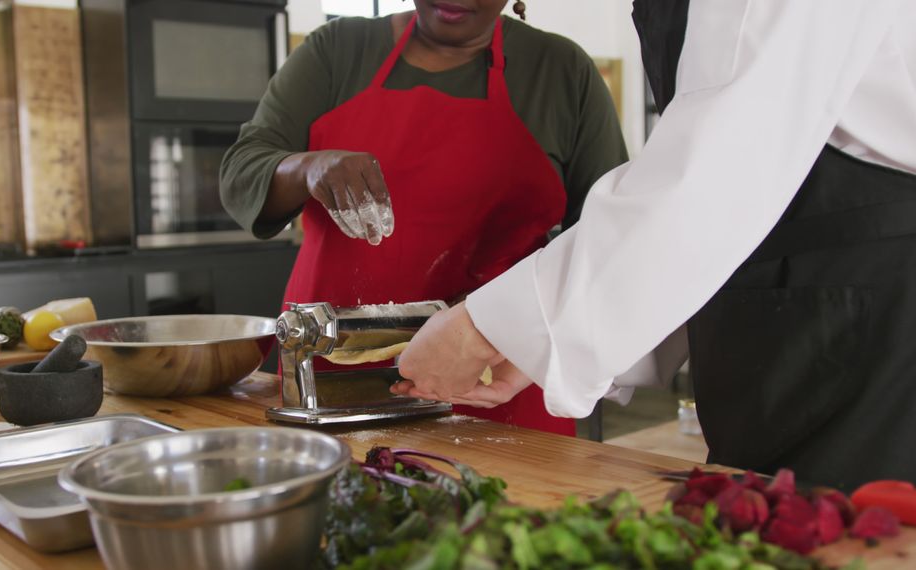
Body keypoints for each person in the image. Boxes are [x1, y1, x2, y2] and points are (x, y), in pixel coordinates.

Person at [395, 0, 916, 491]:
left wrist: (489, 328)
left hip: (868, 324)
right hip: (792, 320)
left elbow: (718, 173)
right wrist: (530, 344)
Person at [221, 0, 628, 434]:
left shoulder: (562, 73)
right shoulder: (338, 51)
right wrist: (307, 168)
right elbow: (241, 171)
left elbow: (610, 241)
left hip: (493, 382)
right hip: (331, 377)